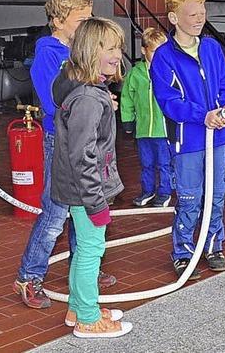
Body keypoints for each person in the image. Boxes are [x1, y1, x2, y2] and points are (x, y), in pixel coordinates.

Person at [14, 0, 117, 310]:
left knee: (83, 207)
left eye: (90, 19)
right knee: (56, 211)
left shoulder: (75, 51)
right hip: (60, 140)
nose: (87, 27)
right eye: (80, 21)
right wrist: (91, 103)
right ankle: (29, 275)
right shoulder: (48, 54)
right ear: (58, 21)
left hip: (80, 136)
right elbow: (54, 101)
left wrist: (100, 100)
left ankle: (83, 267)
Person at [51, 17, 132, 338]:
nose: (117, 54)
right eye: (110, 48)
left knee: (84, 248)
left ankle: (78, 306)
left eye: (119, 47)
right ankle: (87, 318)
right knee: (90, 250)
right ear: (89, 51)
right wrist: (96, 201)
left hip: (79, 189)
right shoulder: (86, 99)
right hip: (85, 191)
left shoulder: (88, 91)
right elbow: (82, 156)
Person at [150, 0, 225, 280]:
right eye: (193, 14)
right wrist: (204, 116)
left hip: (219, 138)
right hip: (188, 141)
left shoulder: (212, 47)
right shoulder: (164, 57)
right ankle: (184, 253)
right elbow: (169, 102)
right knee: (189, 198)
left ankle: (214, 246)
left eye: (202, 12)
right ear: (174, 17)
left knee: (217, 195)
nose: (200, 19)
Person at [121, 27, 173, 208]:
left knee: (165, 164)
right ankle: (148, 190)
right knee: (146, 163)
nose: (159, 56)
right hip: (143, 129)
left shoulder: (170, 72)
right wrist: (127, 120)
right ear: (144, 50)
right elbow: (127, 97)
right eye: (154, 51)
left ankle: (165, 192)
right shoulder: (135, 73)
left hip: (163, 130)